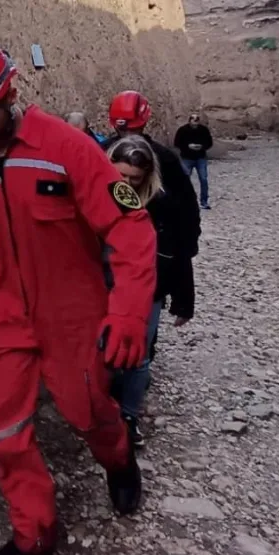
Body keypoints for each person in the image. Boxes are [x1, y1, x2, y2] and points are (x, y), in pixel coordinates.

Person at [0, 43, 155, 555]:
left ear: (10, 95)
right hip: (3, 323)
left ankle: (120, 459)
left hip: (71, 319)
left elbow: (131, 228)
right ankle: (34, 536)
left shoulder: (69, 147)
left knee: (88, 414)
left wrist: (129, 313)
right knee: (5, 435)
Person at [105, 135, 195, 447]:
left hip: (148, 290)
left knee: (138, 355)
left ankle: (129, 417)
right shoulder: (91, 199)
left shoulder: (162, 206)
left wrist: (184, 300)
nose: (127, 184)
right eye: (121, 176)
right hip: (101, 286)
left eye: (134, 178)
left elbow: (178, 253)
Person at [106, 90, 202, 361]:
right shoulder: (164, 158)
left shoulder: (101, 153)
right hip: (152, 262)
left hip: (118, 262)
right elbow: (186, 213)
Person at [173, 113, 213, 209]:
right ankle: (184, 201)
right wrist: (187, 146)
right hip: (187, 158)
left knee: (203, 179)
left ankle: (204, 201)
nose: (195, 123)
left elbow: (209, 142)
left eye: (197, 121)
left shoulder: (203, 130)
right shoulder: (183, 130)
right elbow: (177, 143)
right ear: (189, 120)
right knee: (185, 180)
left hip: (200, 158)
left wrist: (202, 147)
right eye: (193, 120)